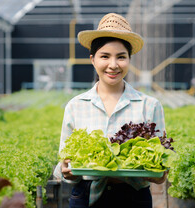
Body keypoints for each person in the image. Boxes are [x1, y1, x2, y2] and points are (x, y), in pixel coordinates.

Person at [54, 13, 168, 208]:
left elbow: (160, 172)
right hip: (86, 196)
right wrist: (67, 170)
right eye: (105, 56)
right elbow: (66, 166)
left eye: (121, 57)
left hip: (134, 198)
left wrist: (157, 171)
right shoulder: (76, 105)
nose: (113, 65)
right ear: (92, 59)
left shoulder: (150, 105)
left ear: (129, 60)